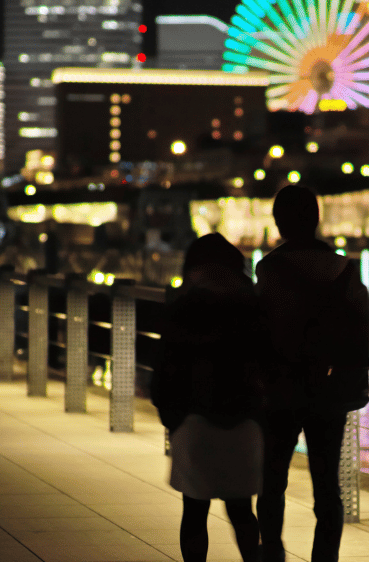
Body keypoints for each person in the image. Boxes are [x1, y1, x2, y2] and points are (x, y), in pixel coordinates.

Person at [255, 185, 369, 562]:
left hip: (280, 387)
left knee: (272, 480)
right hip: (330, 388)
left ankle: (272, 553)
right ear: (316, 219)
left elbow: (261, 328)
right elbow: (366, 331)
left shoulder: (269, 269)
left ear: (279, 222)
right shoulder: (343, 268)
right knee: (327, 488)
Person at [152, 233, 267, 562]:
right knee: (242, 510)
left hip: (194, 421)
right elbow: (267, 364)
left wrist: (172, 420)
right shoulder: (252, 307)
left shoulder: (183, 306)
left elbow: (164, 370)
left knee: (194, 512)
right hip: (243, 421)